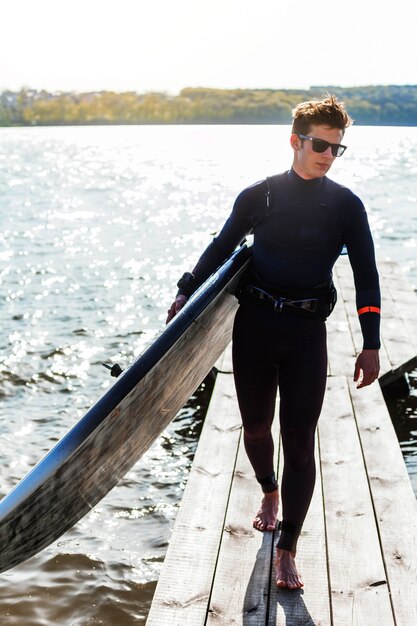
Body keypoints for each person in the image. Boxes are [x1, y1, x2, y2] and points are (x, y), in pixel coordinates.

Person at [166, 95, 380, 590]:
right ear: (295, 141)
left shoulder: (346, 206)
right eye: (320, 144)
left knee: (300, 440)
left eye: (337, 148)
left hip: (307, 332)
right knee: (257, 429)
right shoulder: (258, 197)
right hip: (256, 326)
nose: (328, 154)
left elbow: (367, 275)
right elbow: (221, 246)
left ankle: (287, 548)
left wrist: (370, 342)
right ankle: (268, 490)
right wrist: (185, 289)